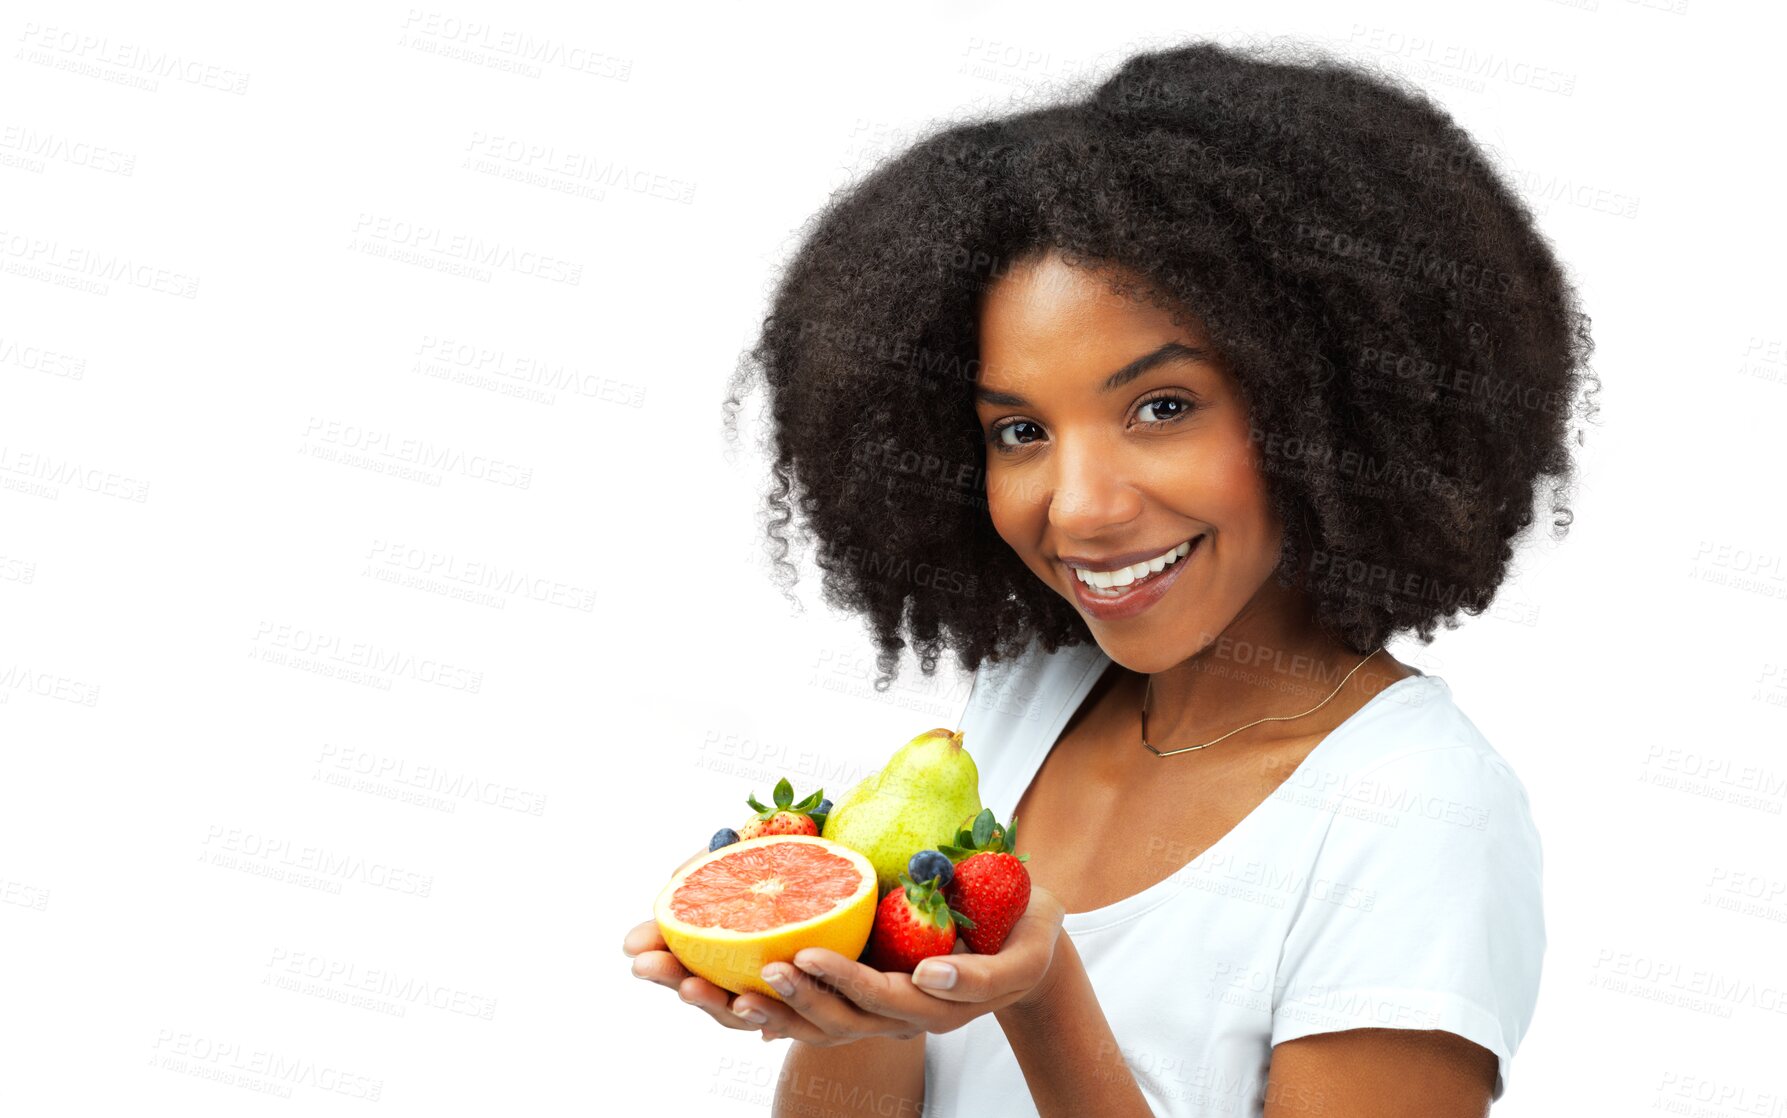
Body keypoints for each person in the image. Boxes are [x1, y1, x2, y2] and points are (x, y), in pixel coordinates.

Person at [624, 36, 1593, 1117]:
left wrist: (1041, 996)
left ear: (1324, 405)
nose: (1078, 505)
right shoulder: (1027, 697)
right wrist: (853, 990)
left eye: (1160, 407)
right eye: (1020, 429)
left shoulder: (1419, 810)